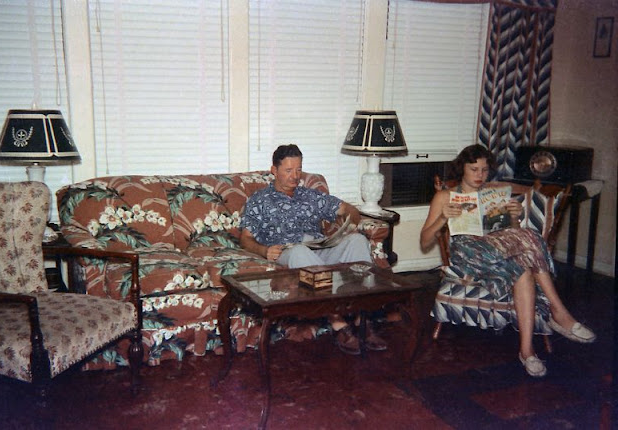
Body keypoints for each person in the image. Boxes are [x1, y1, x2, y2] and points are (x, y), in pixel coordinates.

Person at [420, 144, 595, 377]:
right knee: (528, 237)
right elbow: (424, 241)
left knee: (523, 267)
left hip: (498, 249)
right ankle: (559, 311)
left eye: (484, 170)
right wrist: (443, 217)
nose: (480, 176)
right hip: (468, 252)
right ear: (461, 168)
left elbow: (510, 235)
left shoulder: (493, 194)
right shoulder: (444, 196)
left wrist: (513, 217)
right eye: (474, 169)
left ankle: (527, 351)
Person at [240, 144, 386, 355]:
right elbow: (245, 239)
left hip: (321, 247)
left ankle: (360, 319)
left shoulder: (310, 195)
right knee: (301, 252)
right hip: (290, 250)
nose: (295, 176)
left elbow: (348, 209)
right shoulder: (259, 201)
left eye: (298, 169)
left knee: (357, 241)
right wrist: (263, 251)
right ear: (274, 170)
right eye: (288, 170)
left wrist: (352, 222)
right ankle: (338, 324)